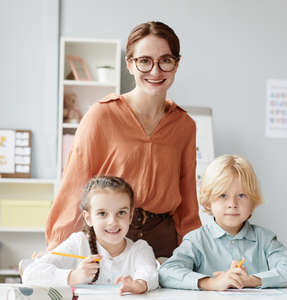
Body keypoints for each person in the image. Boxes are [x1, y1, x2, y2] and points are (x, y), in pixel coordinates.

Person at [46, 21, 201, 257]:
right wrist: (57, 254)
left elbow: (188, 200)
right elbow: (74, 187)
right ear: (130, 64)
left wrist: (195, 252)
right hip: (109, 235)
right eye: (144, 61)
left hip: (162, 240)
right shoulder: (101, 115)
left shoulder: (184, 125)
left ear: (176, 65)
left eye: (165, 60)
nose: (155, 71)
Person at [159, 154, 287, 290]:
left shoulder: (265, 239)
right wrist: (210, 282)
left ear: (252, 202)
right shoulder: (196, 240)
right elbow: (166, 272)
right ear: (208, 202)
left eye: (241, 195)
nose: (232, 204)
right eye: (223, 195)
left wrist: (251, 280)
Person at [23, 176, 159, 294]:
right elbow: (31, 273)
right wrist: (73, 276)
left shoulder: (140, 249)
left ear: (130, 216)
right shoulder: (78, 243)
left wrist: (139, 285)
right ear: (88, 218)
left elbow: (149, 272)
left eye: (121, 212)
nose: (112, 222)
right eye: (102, 213)